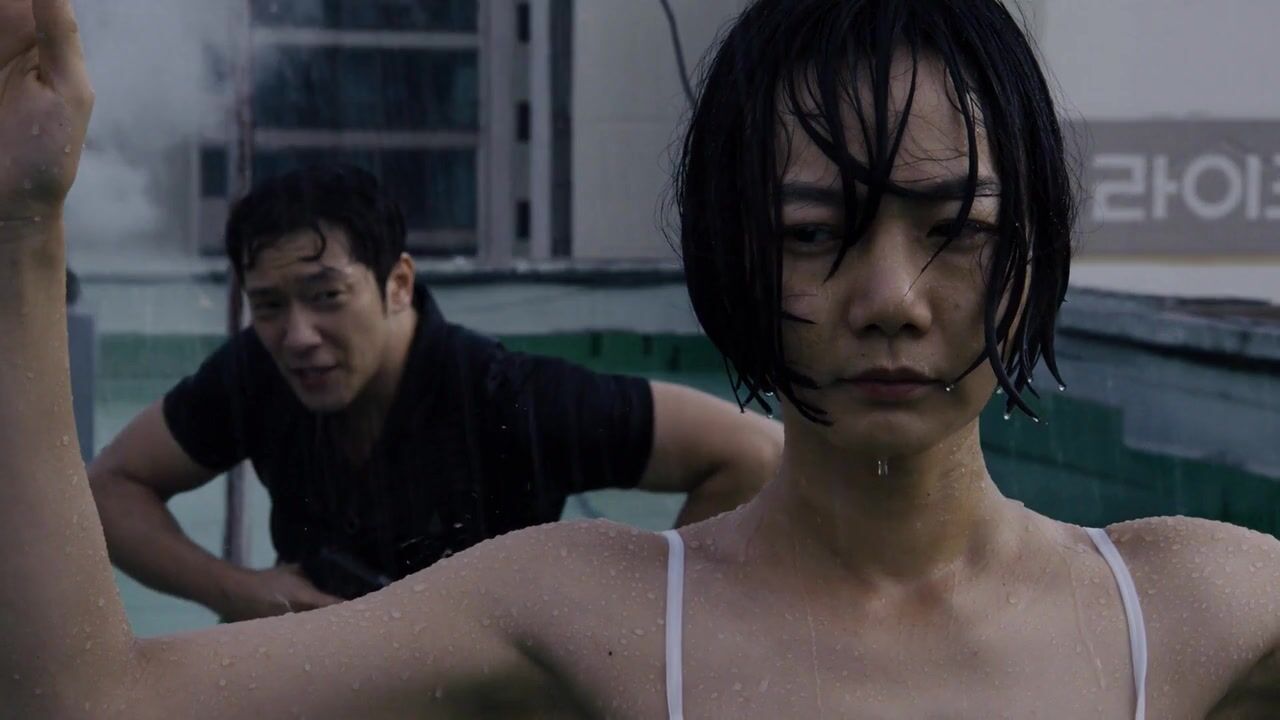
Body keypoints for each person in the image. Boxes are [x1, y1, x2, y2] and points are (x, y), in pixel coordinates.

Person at [1, 0, 1277, 717]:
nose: (889, 299)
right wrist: (21, 230)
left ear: (1032, 249)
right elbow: (85, 698)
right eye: (810, 233)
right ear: (728, 252)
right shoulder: (588, 611)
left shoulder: (1193, 609)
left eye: (955, 229)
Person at [86, 162, 783, 620]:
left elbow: (754, 450)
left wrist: (632, 623)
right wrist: (243, 591)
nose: (297, 335)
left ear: (398, 283)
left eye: (326, 296)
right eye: (268, 305)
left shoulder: (504, 397)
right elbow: (111, 487)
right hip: (329, 677)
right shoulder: (255, 374)